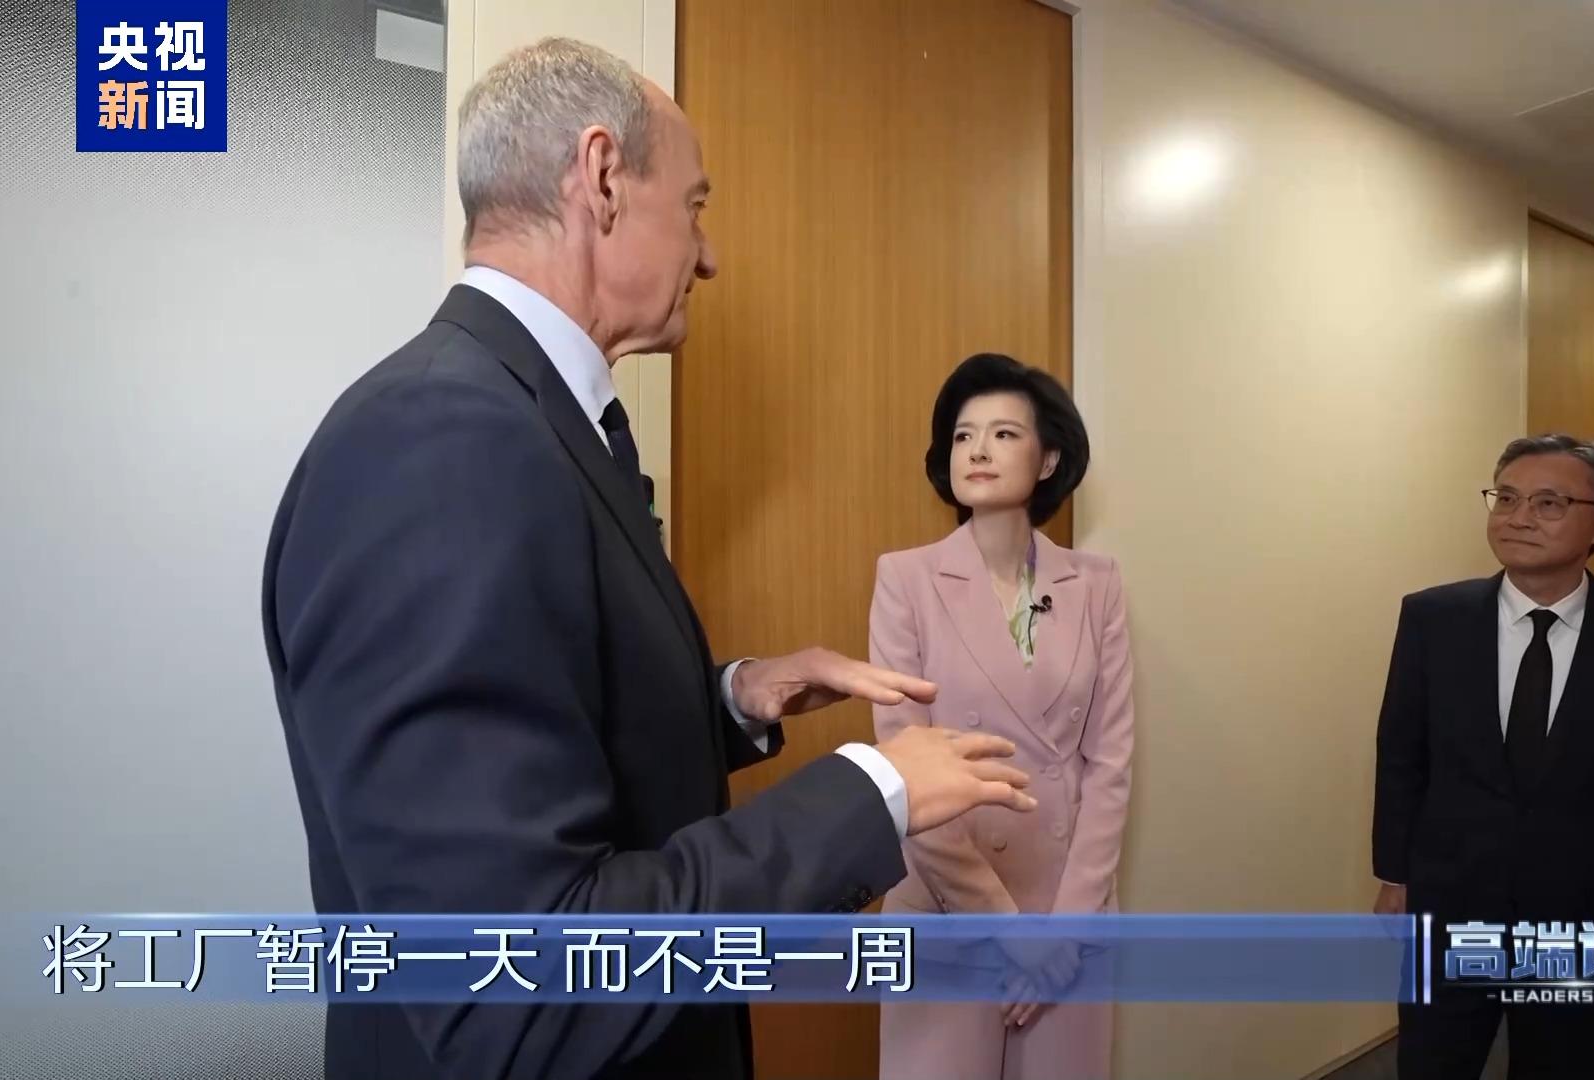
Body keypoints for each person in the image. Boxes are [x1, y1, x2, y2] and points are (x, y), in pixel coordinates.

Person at [260, 39, 1038, 1080]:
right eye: (696, 206)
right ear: (602, 178)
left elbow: (538, 732)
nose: (707, 256)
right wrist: (875, 791)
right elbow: (518, 987)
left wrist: (732, 699)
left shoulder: (531, 421)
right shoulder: (442, 442)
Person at [1371, 434, 1594, 1080]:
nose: (1518, 517)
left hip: (1588, 922)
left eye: (1548, 503)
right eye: (1506, 498)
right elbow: (1402, 756)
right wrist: (1394, 874)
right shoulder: (1433, 619)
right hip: (1452, 909)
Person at [869, 354, 1133, 1080]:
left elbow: (1110, 765)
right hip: (950, 902)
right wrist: (1008, 931)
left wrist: (1063, 933)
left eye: (1004, 434)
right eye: (963, 436)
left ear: (1048, 459)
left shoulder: (1097, 583)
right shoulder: (905, 578)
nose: (978, 450)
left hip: (1067, 911)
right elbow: (906, 767)